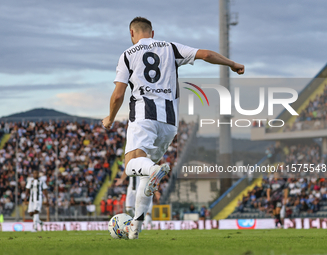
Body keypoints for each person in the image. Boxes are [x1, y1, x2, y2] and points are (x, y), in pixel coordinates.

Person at [102, 17, 244, 239]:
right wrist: (232, 64)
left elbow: (119, 94)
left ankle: (153, 170)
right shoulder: (170, 47)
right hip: (169, 123)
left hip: (143, 116)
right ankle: (135, 229)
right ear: (153, 32)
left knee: (131, 165)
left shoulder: (128, 55)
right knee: (145, 176)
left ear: (132, 33)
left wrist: (110, 118)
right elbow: (205, 54)